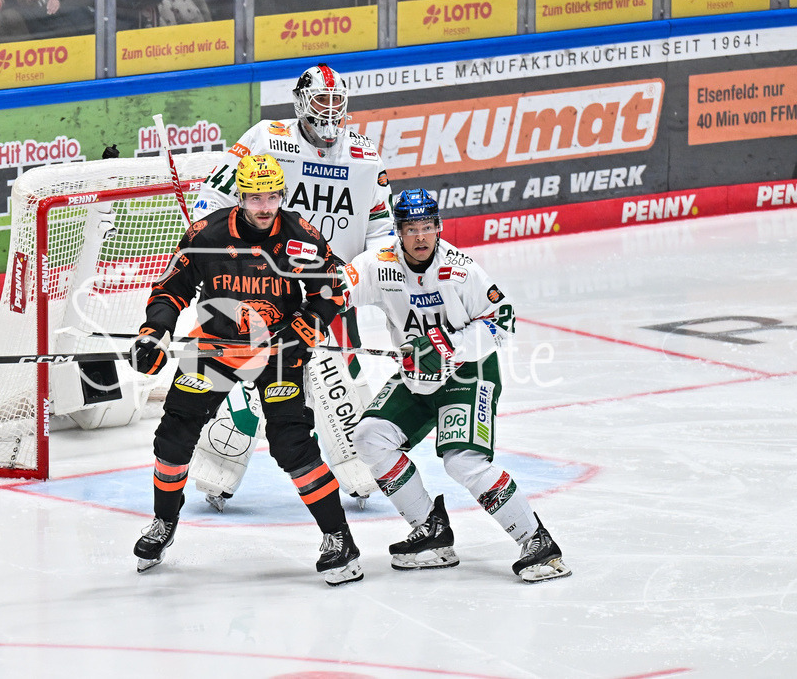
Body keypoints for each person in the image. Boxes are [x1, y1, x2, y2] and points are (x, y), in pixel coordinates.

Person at [127, 154, 363, 586]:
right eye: (255, 197)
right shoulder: (207, 234)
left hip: (278, 351)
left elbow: (331, 290)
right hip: (214, 348)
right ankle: (164, 522)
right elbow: (169, 291)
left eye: (272, 196)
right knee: (174, 436)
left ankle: (338, 537)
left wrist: (305, 328)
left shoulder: (301, 237)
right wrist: (154, 332)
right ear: (240, 196)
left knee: (291, 444)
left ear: (282, 195)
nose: (264, 206)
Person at [189, 62, 394, 511]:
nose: (330, 110)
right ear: (301, 102)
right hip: (261, 289)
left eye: (337, 101)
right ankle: (217, 469)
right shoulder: (267, 137)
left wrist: (356, 276)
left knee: (341, 384)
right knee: (245, 381)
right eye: (321, 100)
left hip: (328, 292)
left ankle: (357, 471)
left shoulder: (365, 156)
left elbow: (383, 232)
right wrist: (214, 252)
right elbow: (214, 198)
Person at [345, 188, 572, 583]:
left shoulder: (460, 270)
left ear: (439, 227)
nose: (420, 236)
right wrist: (305, 309)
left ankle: (538, 543)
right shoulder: (380, 265)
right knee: (369, 436)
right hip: (416, 374)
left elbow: (502, 318)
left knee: (462, 460)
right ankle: (429, 530)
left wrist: (446, 346)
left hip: (469, 373)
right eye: (411, 228)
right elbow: (337, 287)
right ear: (398, 231)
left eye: (427, 226)